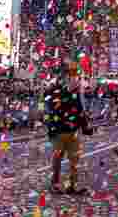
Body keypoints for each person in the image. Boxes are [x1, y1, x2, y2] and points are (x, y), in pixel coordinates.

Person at [43, 63, 91, 195]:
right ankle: (55, 184)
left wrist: (85, 125)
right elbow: (52, 107)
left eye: (75, 73)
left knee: (74, 159)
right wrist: (67, 92)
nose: (74, 77)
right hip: (58, 130)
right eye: (72, 73)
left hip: (73, 130)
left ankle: (72, 185)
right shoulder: (54, 88)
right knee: (57, 158)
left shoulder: (76, 90)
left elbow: (79, 109)